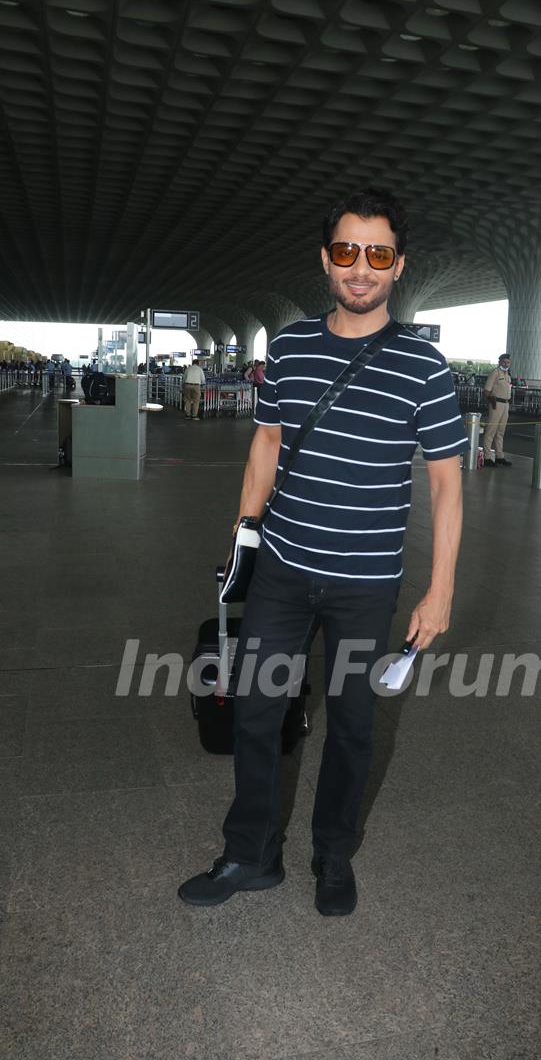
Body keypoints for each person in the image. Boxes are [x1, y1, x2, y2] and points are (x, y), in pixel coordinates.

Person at [178, 186, 467, 916]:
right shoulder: (292, 347)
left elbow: (445, 487)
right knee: (252, 712)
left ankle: (333, 856)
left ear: (399, 265)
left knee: (353, 726)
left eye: (377, 253)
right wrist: (245, 532)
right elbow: (268, 442)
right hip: (282, 570)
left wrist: (441, 590)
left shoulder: (426, 369)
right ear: (325, 259)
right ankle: (251, 854)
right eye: (346, 252)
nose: (360, 268)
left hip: (366, 587)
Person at [483, 353, 513, 466]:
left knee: (501, 431)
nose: (506, 364)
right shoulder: (495, 373)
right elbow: (486, 391)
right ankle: (487, 457)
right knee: (491, 430)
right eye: (504, 362)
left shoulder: (507, 375)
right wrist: (492, 401)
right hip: (496, 403)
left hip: (506, 404)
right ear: (500, 362)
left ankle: (499, 456)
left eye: (508, 362)